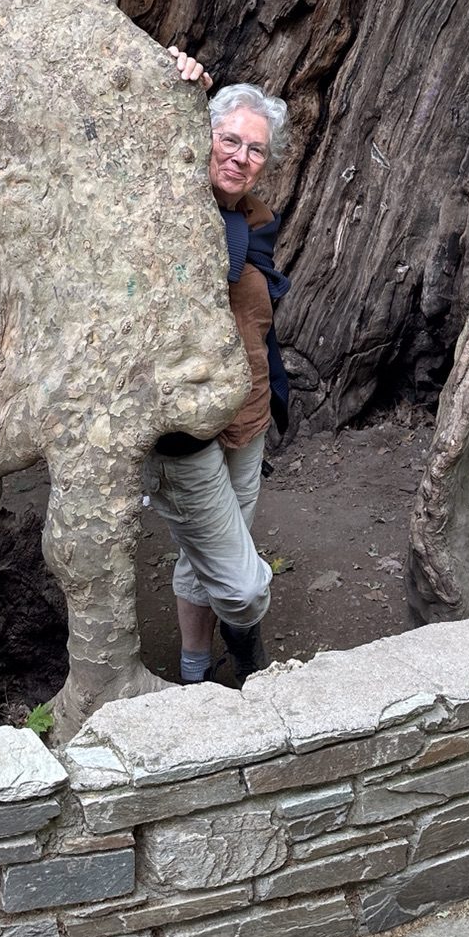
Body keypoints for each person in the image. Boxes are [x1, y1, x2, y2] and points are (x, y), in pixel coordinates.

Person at [152, 47, 290, 687]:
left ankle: (195, 670)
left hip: (248, 419)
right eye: (227, 139)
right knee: (241, 585)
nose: (240, 156)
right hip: (187, 433)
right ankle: (253, 659)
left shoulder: (252, 220)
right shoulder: (169, 207)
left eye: (255, 149)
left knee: (200, 555)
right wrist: (178, 89)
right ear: (200, 138)